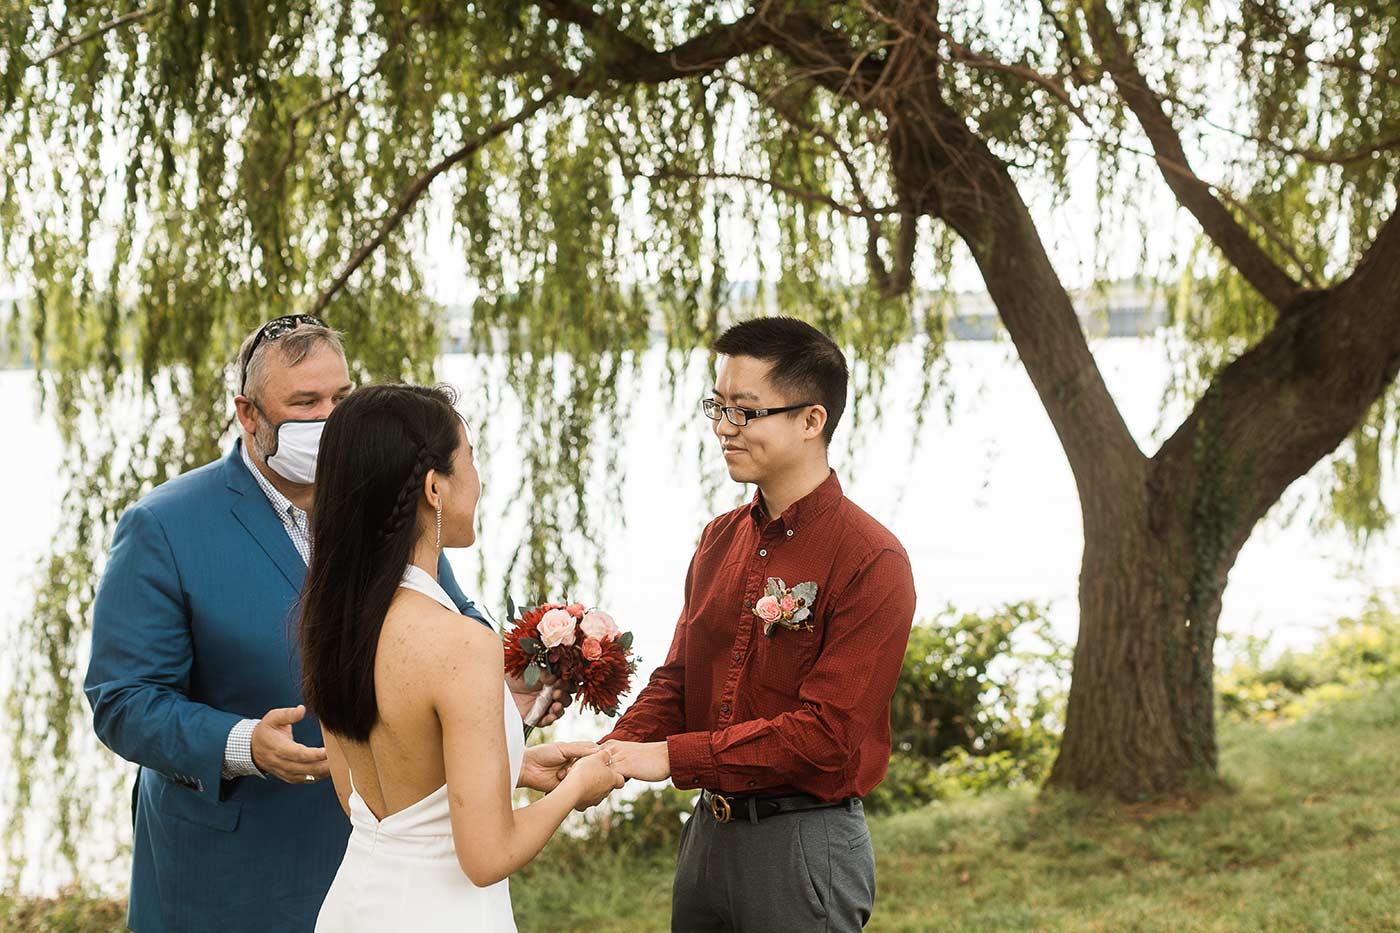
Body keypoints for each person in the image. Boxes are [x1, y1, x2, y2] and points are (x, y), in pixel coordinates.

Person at [84, 317, 571, 932]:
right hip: (231, 879)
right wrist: (242, 744)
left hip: (379, 877)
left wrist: (500, 705)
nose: (330, 418)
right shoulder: (164, 526)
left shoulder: (393, 514)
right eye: (305, 403)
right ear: (249, 414)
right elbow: (123, 700)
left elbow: (436, 648)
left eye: (341, 398)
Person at [602, 317, 916, 932]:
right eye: (717, 406)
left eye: (744, 411)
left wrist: (670, 757)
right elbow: (679, 677)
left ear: (810, 420)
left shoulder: (871, 560)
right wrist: (611, 753)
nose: (723, 427)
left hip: (803, 845)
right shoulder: (719, 539)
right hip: (708, 837)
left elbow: (825, 734)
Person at [302, 383, 624, 932]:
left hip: (354, 903)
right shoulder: (458, 641)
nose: (479, 479)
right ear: (434, 487)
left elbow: (366, 793)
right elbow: (487, 857)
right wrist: (578, 787)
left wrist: (511, 770)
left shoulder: (335, 620)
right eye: (470, 459)